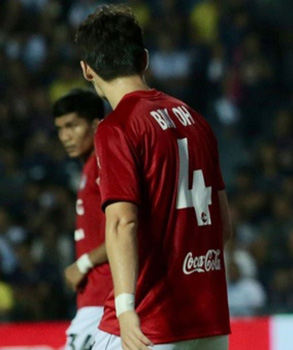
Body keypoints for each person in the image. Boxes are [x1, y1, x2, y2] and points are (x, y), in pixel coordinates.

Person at [75, 5, 232, 350]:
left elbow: (122, 223)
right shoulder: (196, 120)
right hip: (210, 321)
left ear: (87, 71)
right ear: (144, 60)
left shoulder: (117, 127)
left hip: (151, 324)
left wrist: (126, 308)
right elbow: (223, 225)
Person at [54, 88, 111, 350]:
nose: (65, 136)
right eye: (60, 128)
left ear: (96, 124)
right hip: (95, 300)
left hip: (104, 299)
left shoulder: (104, 163)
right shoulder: (90, 166)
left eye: (72, 126)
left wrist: (83, 263)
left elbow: (127, 228)